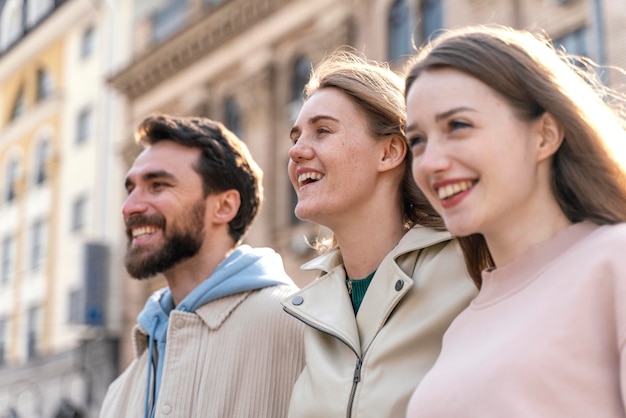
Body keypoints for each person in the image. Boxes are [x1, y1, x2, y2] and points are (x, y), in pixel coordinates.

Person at [404, 25, 626, 417]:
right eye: (418, 140)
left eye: (458, 125)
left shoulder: (615, 261)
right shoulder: (464, 324)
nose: (431, 162)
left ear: (545, 134)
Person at [281, 50, 477, 418]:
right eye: (296, 137)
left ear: (389, 152)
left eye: (322, 131)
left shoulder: (474, 268)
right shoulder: (308, 309)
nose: (296, 151)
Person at [100, 113, 305, 418]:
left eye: (157, 185)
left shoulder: (297, 325)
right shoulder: (123, 389)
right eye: (131, 189)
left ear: (223, 206)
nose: (130, 207)